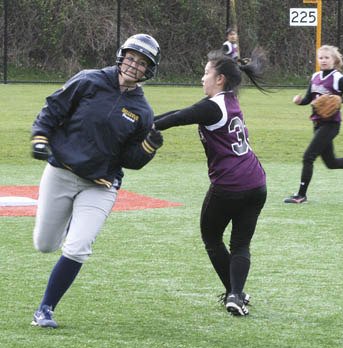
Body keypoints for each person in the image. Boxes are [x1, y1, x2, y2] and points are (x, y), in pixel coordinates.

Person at [30, 34, 163, 328]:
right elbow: (53, 109)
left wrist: (149, 146)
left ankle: (45, 309)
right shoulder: (89, 80)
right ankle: (65, 219)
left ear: (148, 71)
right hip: (61, 172)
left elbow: (131, 160)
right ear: (121, 56)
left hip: (100, 185)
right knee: (44, 244)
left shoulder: (142, 111)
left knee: (77, 247)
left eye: (142, 63)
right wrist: (40, 138)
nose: (134, 65)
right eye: (131, 57)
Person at [154, 48, 267, 316]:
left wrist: (142, 126)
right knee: (240, 244)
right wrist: (148, 120)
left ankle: (233, 292)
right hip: (257, 183)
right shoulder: (229, 101)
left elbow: (176, 118)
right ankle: (236, 295)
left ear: (220, 79)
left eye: (206, 73)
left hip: (230, 185)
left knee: (211, 236)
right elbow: (184, 112)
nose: (202, 78)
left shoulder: (211, 107)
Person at [284, 45, 343, 204]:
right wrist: (300, 101)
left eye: (327, 57)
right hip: (318, 124)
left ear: (334, 60)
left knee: (308, 157)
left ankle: (301, 195)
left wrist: (340, 99)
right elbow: (308, 99)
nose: (323, 60)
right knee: (331, 163)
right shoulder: (315, 76)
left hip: (331, 125)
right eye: (321, 57)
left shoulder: (338, 78)